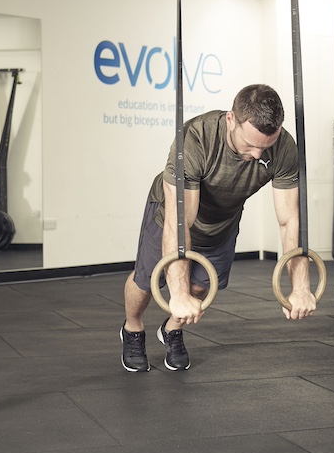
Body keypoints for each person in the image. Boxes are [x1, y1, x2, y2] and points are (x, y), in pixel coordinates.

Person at [121, 83, 317, 373]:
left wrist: (300, 287)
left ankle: (172, 330)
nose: (256, 154)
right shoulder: (195, 139)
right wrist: (176, 293)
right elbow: (181, 221)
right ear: (230, 120)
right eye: (249, 144)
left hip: (223, 220)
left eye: (265, 146)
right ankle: (132, 329)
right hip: (170, 214)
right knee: (147, 281)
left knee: (201, 285)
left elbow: (290, 219)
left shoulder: (284, 147)